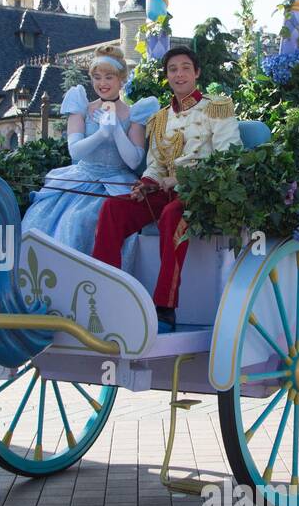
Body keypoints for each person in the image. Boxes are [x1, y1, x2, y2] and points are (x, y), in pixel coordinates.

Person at [92, 46, 239, 332]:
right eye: (173, 69)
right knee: (113, 207)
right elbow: (155, 166)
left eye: (185, 68)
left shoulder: (217, 107)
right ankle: (106, 294)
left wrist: (182, 180)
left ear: (196, 73)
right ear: (167, 76)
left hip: (203, 194)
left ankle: (165, 307)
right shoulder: (159, 119)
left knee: (172, 214)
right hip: (163, 192)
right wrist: (145, 184)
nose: (179, 74)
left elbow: (229, 160)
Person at [21, 46, 159, 254]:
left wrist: (116, 132)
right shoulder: (82, 108)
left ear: (121, 79)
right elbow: (75, 152)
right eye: (97, 77)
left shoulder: (134, 114)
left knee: (88, 220)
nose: (102, 83)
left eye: (108, 77)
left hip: (116, 183)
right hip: (81, 179)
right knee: (58, 218)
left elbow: (133, 161)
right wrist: (102, 134)